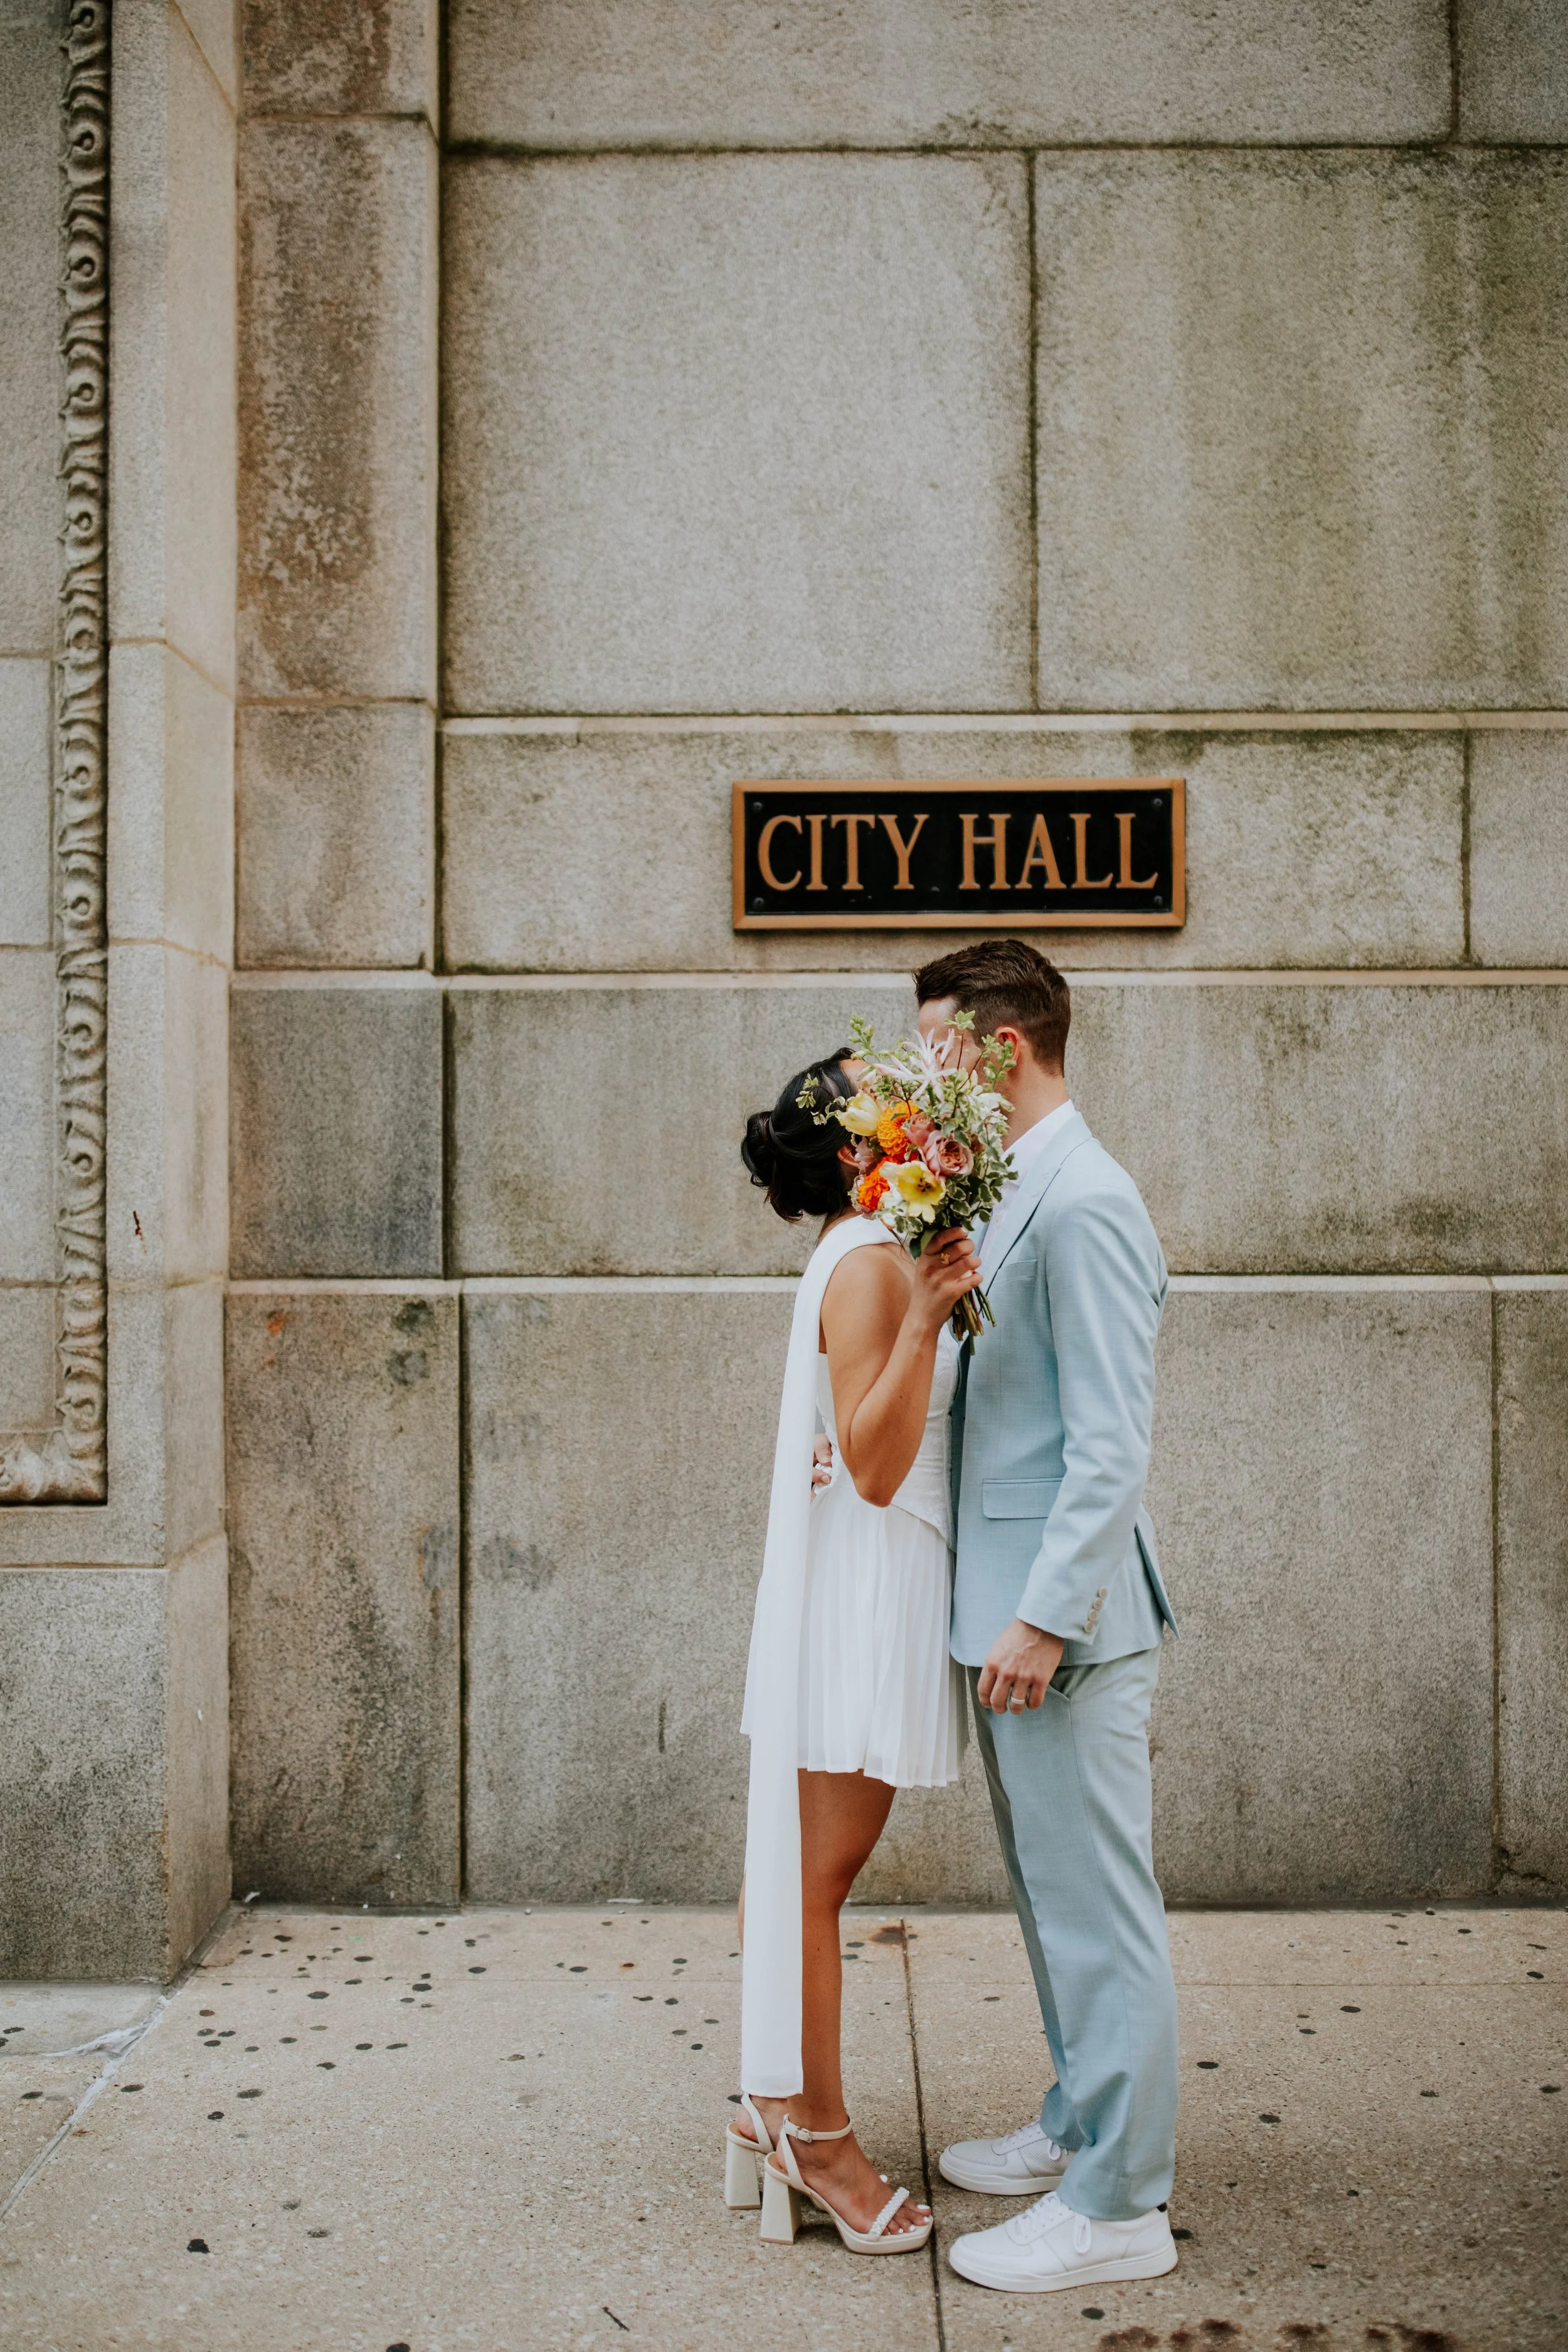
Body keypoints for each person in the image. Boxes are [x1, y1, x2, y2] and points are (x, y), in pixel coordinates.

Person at [912, 939, 1182, 2296]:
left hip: (1052, 1630)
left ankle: (1120, 2204)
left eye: (934, 1049)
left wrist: (1042, 1618)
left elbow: (1108, 1442)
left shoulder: (1084, 1201)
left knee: (1097, 1913)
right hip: (1003, 1613)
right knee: (1050, 1903)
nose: (920, 1073)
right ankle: (1080, 2121)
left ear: (998, 1050)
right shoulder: (1014, 1188)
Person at [726, 1049, 985, 2256]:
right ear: (855, 1152)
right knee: (816, 1883)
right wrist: (930, 1313)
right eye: (894, 1103)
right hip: (868, 1590)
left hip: (859, 1582)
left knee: (801, 1876)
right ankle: (814, 2136)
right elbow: (875, 1464)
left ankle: (772, 2101)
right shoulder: (877, 1264)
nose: (916, 1110)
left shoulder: (858, 1252)